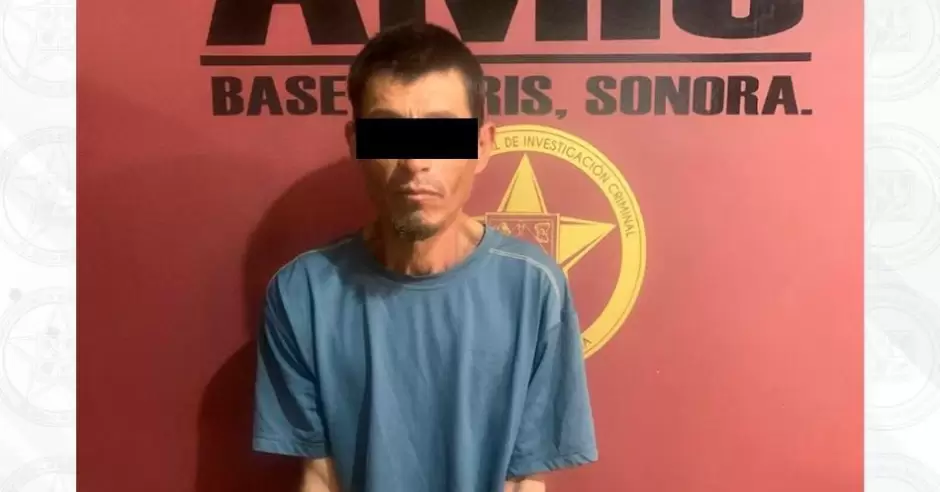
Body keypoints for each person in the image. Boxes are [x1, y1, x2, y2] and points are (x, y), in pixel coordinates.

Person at [252, 21, 597, 492]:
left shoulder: (534, 287)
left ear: (482, 146)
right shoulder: (303, 292)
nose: (415, 162)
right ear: (356, 144)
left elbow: (524, 482)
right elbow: (319, 476)